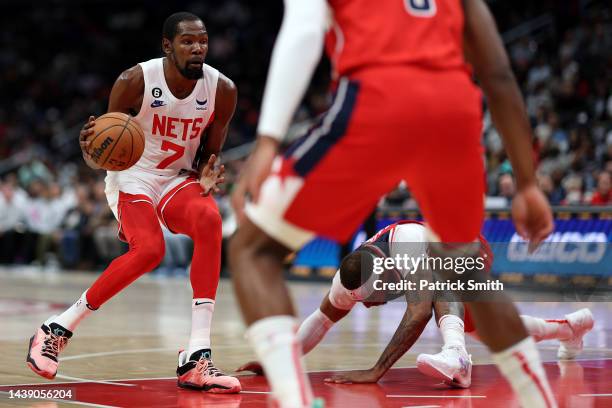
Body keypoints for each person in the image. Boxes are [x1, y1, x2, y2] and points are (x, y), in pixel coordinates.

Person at [228, 0, 555, 406]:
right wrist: (527, 183)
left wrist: (268, 141)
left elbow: (304, 32)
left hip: (377, 99)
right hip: (453, 110)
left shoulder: (398, 248)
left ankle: (291, 398)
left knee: (251, 248)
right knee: (470, 279)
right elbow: (499, 74)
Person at [26, 12, 241, 393]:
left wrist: (208, 173)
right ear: (167, 46)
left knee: (209, 220)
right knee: (150, 251)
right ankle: (56, 329)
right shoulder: (135, 81)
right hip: (134, 176)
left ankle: (197, 356)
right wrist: (90, 151)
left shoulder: (222, 89)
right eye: (188, 41)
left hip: (177, 178)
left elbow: (210, 153)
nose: (197, 48)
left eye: (203, 41)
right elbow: (104, 153)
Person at [236, 221, 594, 388]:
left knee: (437, 283)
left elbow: (420, 312)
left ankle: (458, 357)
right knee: (489, 329)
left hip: (465, 244)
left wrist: (376, 371)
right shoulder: (347, 280)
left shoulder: (407, 251)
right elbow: (322, 319)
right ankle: (567, 329)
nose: (370, 307)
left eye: (373, 300)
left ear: (388, 272)